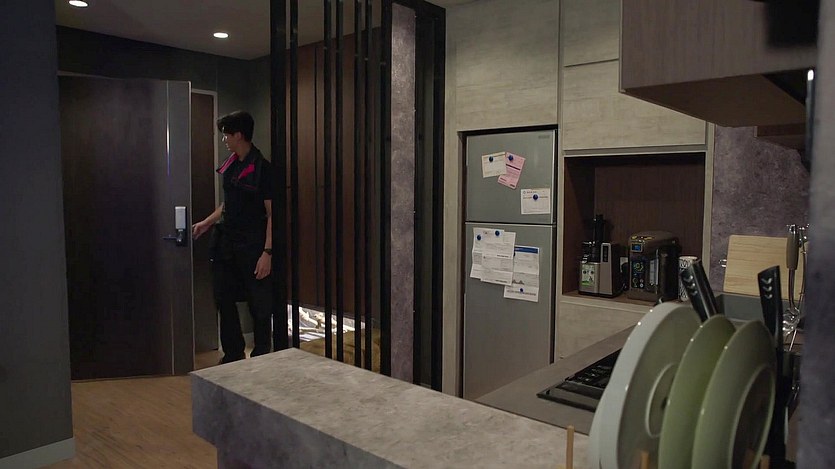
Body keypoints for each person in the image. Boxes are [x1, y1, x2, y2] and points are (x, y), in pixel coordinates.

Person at [193, 111, 274, 363]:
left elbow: (273, 213)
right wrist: (207, 223)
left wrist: (267, 252)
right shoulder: (231, 164)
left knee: (258, 303)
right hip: (227, 242)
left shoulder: (262, 168)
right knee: (223, 298)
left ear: (239, 135)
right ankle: (233, 353)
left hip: (253, 243)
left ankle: (262, 355)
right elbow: (228, 204)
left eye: (226, 135)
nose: (224, 140)